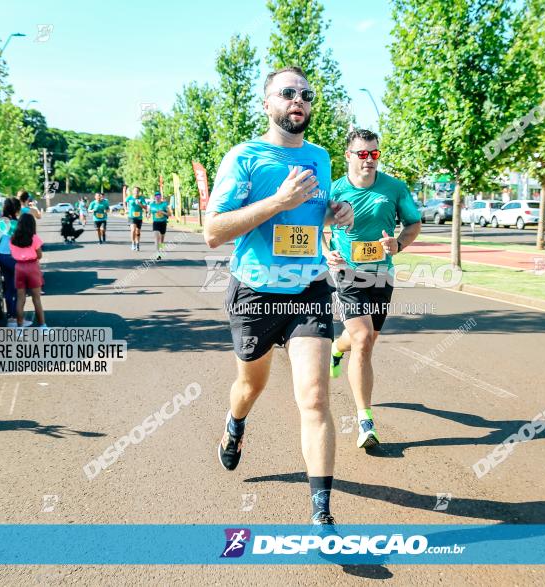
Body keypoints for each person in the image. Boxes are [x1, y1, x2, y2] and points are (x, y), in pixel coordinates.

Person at [203, 66, 353, 526]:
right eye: (287, 93)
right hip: (255, 293)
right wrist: (277, 203)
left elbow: (311, 219)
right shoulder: (245, 157)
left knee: (315, 397)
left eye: (306, 94)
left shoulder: (322, 158)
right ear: (266, 104)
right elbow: (213, 231)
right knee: (251, 386)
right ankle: (235, 423)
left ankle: (322, 515)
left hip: (308, 289)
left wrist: (334, 213)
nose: (298, 100)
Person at [326, 129, 422, 449]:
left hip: (382, 275)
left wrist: (398, 244)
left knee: (365, 341)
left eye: (374, 154)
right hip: (348, 273)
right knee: (364, 339)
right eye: (363, 154)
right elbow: (315, 228)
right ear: (349, 156)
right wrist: (327, 253)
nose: (369, 160)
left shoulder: (394, 188)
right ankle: (365, 421)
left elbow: (413, 224)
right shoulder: (334, 190)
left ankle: (337, 350)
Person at [0, 198, 31, 327]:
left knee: (9, 287)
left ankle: (10, 317)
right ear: (17, 209)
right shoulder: (17, 223)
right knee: (20, 289)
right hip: (15, 258)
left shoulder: (0, 222)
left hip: (2, 257)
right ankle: (17, 318)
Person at [9, 213, 48, 329]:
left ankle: (20, 326)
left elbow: (12, 254)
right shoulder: (34, 238)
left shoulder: (13, 238)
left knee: (20, 298)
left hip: (19, 267)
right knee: (36, 298)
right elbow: (39, 255)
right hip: (32, 267)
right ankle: (42, 326)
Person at [124, 185, 148, 251]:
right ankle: (133, 243)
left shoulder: (141, 198)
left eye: (137, 191)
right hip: (131, 216)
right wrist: (125, 209)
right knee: (133, 230)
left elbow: (145, 207)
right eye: (135, 191)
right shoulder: (130, 198)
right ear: (133, 191)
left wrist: (140, 204)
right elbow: (125, 202)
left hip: (139, 217)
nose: (136, 192)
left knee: (138, 232)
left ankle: (137, 243)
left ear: (139, 192)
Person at [149, 191, 171, 259]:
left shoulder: (164, 204)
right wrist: (148, 215)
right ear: (154, 197)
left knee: (162, 239)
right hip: (156, 222)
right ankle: (157, 253)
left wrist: (163, 212)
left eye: (159, 196)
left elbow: (169, 214)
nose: (157, 198)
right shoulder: (152, 205)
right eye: (156, 196)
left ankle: (161, 250)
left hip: (163, 223)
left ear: (161, 197)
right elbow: (149, 212)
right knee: (157, 237)